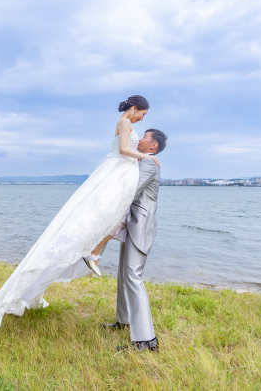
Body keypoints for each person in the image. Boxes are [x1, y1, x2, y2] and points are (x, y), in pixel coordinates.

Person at [0, 95, 160, 329]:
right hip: (116, 173)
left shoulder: (125, 122)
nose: (142, 119)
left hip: (119, 173)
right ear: (135, 108)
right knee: (105, 217)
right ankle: (91, 254)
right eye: (143, 114)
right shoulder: (125, 122)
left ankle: (92, 253)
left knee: (112, 218)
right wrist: (145, 156)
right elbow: (122, 149)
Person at [102, 128, 166, 352]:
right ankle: (124, 320)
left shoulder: (148, 163)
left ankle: (146, 340)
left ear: (153, 145)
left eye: (145, 137)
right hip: (132, 223)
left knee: (132, 276)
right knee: (123, 273)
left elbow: (131, 190)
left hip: (140, 226)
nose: (140, 139)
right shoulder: (142, 160)